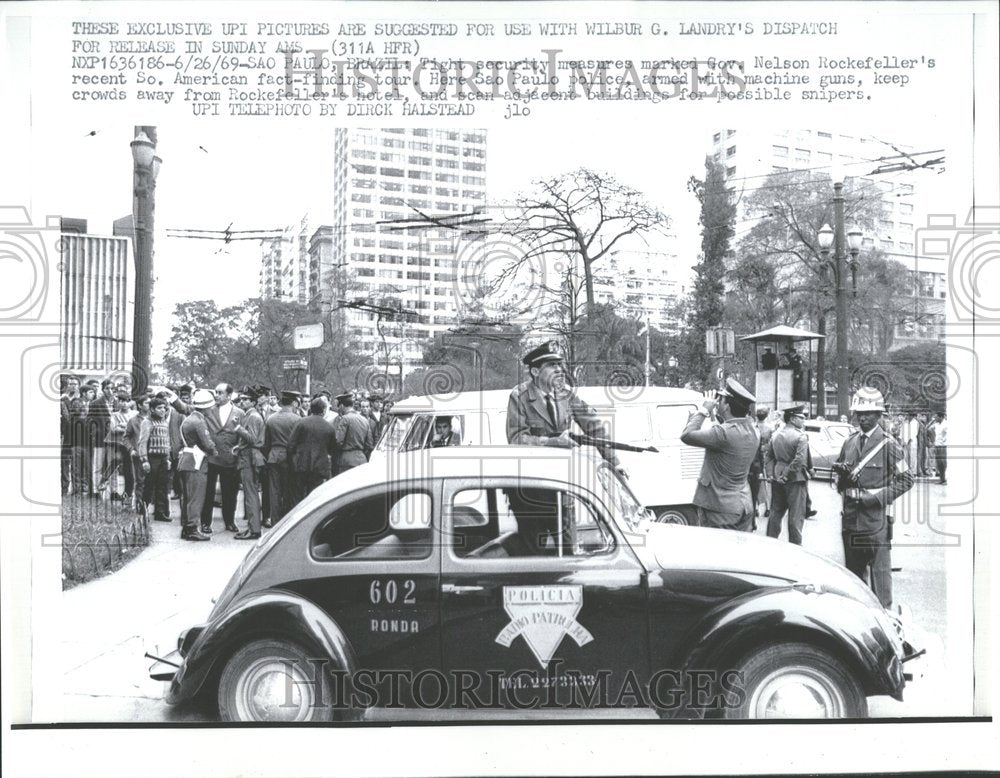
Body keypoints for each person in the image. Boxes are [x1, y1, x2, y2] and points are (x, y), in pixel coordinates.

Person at [835, 387, 914, 608]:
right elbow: (841, 480)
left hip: (875, 522)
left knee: (880, 581)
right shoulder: (849, 442)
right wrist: (842, 476)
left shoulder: (889, 445)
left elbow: (907, 479)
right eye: (859, 413)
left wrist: (877, 498)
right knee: (853, 580)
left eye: (868, 413)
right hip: (850, 519)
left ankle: (884, 622)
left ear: (879, 415)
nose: (863, 417)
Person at [506, 342, 624, 473]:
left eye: (559, 364)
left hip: (564, 471)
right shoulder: (520, 396)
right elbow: (517, 439)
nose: (558, 369)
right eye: (551, 365)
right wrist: (554, 441)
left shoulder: (566, 395)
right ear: (535, 371)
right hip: (533, 474)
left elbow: (595, 428)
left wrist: (615, 463)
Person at [680, 377, 760, 532]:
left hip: (720, 508)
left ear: (727, 406)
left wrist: (703, 410)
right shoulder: (753, 430)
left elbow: (687, 435)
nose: (718, 402)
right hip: (743, 502)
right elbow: (726, 431)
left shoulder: (723, 434)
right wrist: (713, 414)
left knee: (717, 554)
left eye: (721, 400)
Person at [201, 383, 244, 533]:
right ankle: (205, 522)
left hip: (229, 459)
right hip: (211, 457)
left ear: (229, 396)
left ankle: (230, 521)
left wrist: (238, 451)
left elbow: (242, 435)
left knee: (230, 493)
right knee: (208, 492)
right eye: (216, 392)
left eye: (220, 393)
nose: (217, 395)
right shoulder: (209, 411)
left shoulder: (239, 413)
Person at [765, 405, 810, 545]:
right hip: (795, 479)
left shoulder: (776, 434)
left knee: (775, 513)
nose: (804, 421)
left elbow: (769, 456)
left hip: (777, 477)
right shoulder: (801, 436)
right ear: (792, 419)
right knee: (796, 516)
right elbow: (799, 459)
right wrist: (787, 474)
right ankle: (795, 547)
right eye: (801, 418)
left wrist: (772, 474)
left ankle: (770, 543)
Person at [177, 389, 217, 541]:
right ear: (206, 407)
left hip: (187, 459)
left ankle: (187, 527)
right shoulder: (199, 421)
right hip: (196, 461)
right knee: (196, 497)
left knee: (187, 497)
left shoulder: (188, 419)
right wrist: (215, 451)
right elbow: (207, 444)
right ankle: (193, 528)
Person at [263, 390, 302, 525]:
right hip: (290, 458)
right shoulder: (297, 420)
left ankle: (274, 521)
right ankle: (286, 523)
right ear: (293, 403)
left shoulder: (271, 419)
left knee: (274, 491)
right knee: (289, 491)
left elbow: (266, 443)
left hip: (273, 456)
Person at [232, 389, 266, 540]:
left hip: (249, 458)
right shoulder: (251, 415)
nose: (242, 401)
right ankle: (253, 527)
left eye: (246, 399)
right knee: (249, 494)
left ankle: (254, 529)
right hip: (248, 456)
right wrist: (238, 446)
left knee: (250, 494)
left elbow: (252, 439)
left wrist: (238, 428)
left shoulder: (252, 416)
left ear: (253, 402)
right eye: (242, 399)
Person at [288, 396, 338, 498]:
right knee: (314, 497)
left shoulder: (301, 423)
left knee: (299, 497)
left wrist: (292, 461)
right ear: (324, 410)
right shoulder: (329, 427)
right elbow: (333, 450)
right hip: (319, 468)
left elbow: (291, 445)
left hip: (301, 466)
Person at [137, 397, 173, 522]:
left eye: (164, 408)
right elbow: (142, 442)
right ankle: (143, 510)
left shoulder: (164, 422)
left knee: (162, 486)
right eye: (159, 408)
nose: (162, 410)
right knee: (149, 485)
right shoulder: (147, 422)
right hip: (152, 459)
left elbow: (167, 441)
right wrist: (144, 460)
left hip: (163, 459)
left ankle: (160, 512)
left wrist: (168, 458)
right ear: (152, 409)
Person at [88, 379, 116, 496]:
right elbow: (90, 420)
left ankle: (114, 491)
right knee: (98, 465)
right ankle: (95, 491)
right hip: (101, 439)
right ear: (103, 389)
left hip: (116, 440)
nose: (109, 391)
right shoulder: (95, 403)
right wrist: (96, 432)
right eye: (107, 388)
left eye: (111, 388)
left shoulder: (117, 403)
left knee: (114, 466)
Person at [333, 393, 373, 475]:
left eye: (338, 406)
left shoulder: (345, 419)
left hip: (346, 461)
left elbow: (339, 442)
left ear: (341, 406)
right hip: (362, 460)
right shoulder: (364, 420)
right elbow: (369, 444)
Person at [749, 408, 774, 519]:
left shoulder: (753, 427)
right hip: (767, 455)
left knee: (756, 483)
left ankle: (756, 508)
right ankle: (768, 507)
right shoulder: (770, 428)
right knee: (767, 483)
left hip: (755, 456)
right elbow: (771, 443)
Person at [60, 374, 80, 495]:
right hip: (66, 434)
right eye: (70, 384)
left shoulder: (81, 400)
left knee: (77, 462)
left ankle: (76, 489)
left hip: (78, 435)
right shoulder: (62, 400)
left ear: (78, 386)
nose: (73, 386)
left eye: (75, 384)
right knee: (65, 461)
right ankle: (64, 487)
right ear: (67, 386)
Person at [930, 411, 947, 485]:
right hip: (937, 445)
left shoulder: (946, 424)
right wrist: (932, 421)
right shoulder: (936, 424)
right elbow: (928, 429)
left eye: (936, 417)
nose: (935, 418)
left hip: (943, 446)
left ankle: (945, 479)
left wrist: (944, 441)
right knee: (939, 463)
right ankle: (942, 479)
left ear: (941, 417)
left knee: (943, 463)